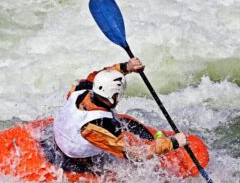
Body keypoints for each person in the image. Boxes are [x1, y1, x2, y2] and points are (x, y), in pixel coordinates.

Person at [53, 58, 187, 173]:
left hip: (62, 136)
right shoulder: (99, 125)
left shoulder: (82, 88)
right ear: (113, 95)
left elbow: (99, 76)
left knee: (128, 124)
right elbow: (136, 152)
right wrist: (173, 143)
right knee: (134, 155)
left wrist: (126, 67)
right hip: (77, 159)